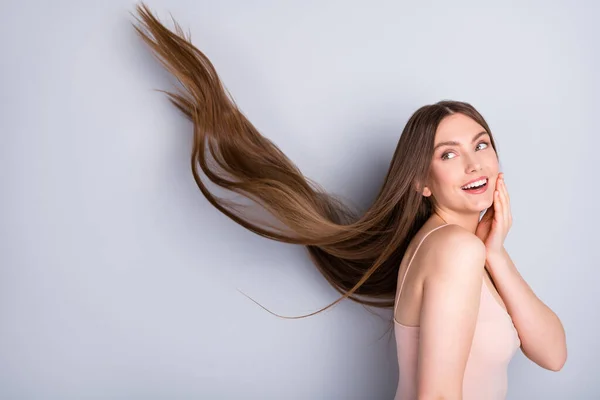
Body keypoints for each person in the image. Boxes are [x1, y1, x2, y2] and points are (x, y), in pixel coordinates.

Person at [131, 4, 567, 399]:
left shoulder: (466, 249)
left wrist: (498, 255)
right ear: (422, 182)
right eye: (448, 154)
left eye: (482, 144)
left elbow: (553, 354)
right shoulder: (455, 249)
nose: (474, 165)